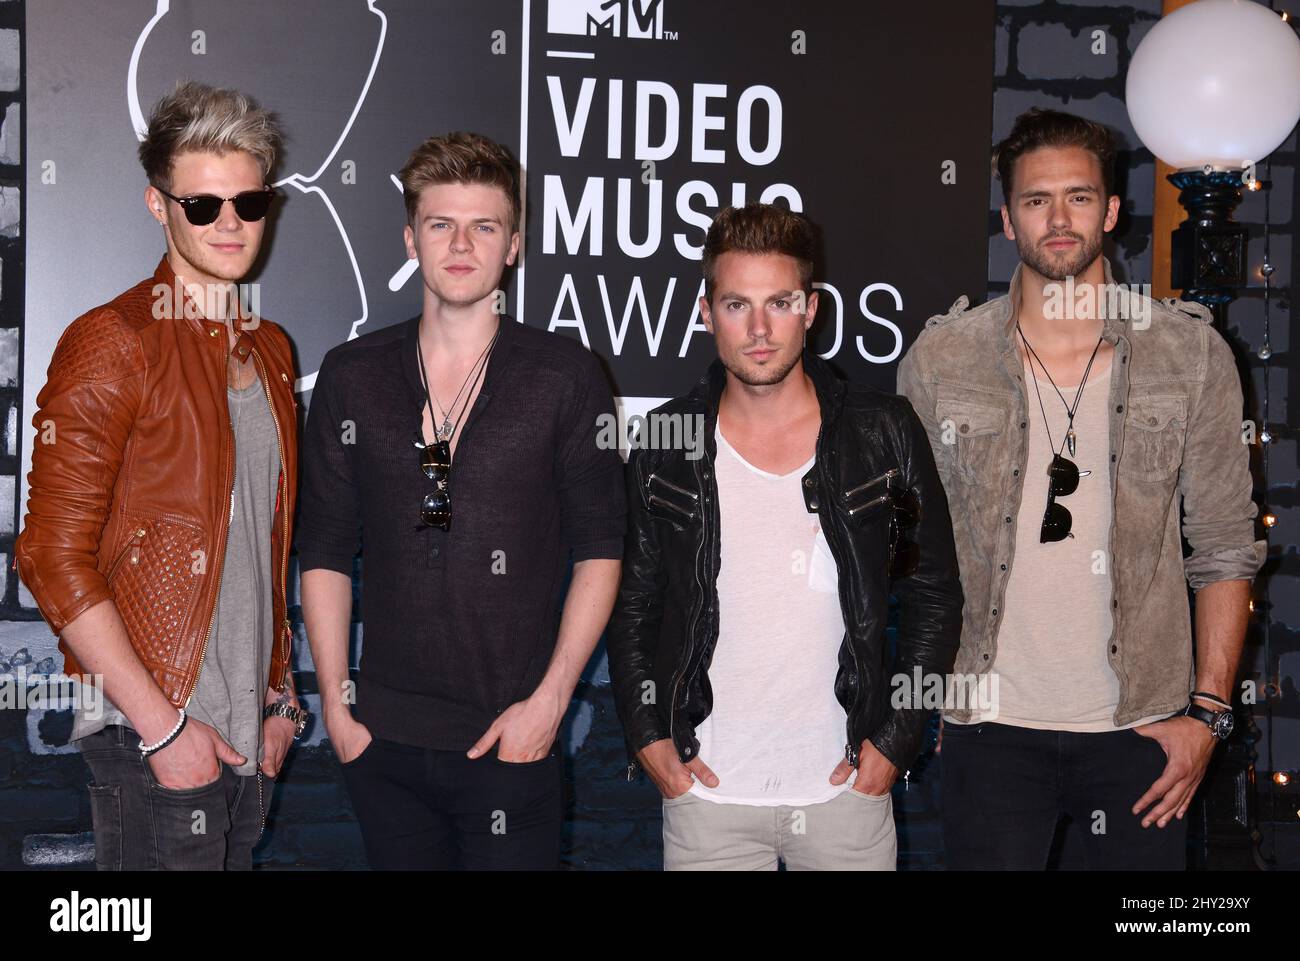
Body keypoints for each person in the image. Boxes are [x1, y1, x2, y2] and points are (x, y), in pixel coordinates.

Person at [897, 107, 1265, 870]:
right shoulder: (942, 360)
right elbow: (915, 547)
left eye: (1078, 196)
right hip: (988, 728)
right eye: (1036, 200)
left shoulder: (1190, 355)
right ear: (1007, 219)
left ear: (1112, 210)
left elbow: (1225, 546)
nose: (1058, 218)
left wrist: (1209, 713)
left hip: (1144, 732)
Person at [297, 132, 625, 870]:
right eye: (441, 224)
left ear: (514, 244)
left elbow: (602, 550)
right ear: (411, 238)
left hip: (512, 740)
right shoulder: (352, 374)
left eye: (485, 226)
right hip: (381, 744)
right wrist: (338, 710)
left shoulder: (566, 375)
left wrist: (550, 703)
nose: (461, 244)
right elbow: (322, 547)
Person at [608, 202, 963, 870]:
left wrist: (897, 738)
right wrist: (645, 730)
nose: (761, 329)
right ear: (707, 311)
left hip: (846, 796)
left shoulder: (884, 431)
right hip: (706, 796)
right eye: (738, 305)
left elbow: (935, 596)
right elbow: (634, 604)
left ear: (812, 307)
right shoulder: (664, 440)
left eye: (780, 302)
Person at [15, 81, 305, 870]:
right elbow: (48, 554)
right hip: (153, 738)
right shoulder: (113, 338)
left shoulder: (271, 350)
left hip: (248, 741)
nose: (231, 224)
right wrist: (164, 728)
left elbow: (264, 541)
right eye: (203, 206)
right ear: (159, 204)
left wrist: (282, 697)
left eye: (249, 202)